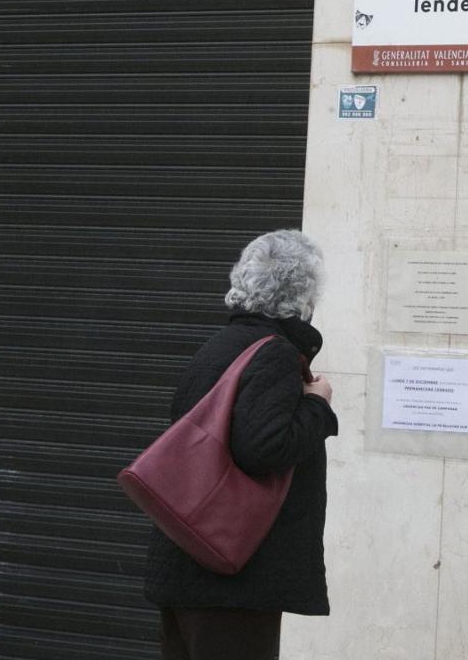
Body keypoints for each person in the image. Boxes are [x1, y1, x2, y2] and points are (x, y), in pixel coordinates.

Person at [144, 229, 337, 660]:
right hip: (232, 581)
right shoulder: (273, 354)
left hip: (189, 565)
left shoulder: (220, 347)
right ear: (302, 295)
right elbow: (262, 449)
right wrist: (317, 407)